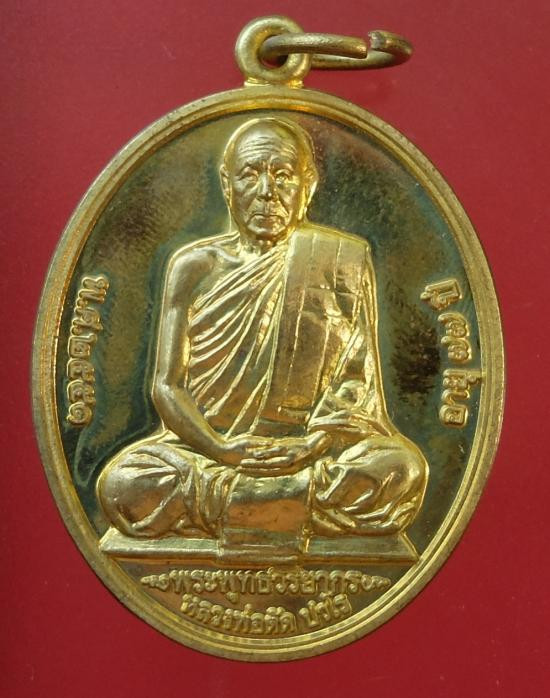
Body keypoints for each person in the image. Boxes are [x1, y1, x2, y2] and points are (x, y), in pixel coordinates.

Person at [97, 117, 428, 545]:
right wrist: (220, 449)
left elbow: (354, 381)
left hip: (306, 453)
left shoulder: (341, 259)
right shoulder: (194, 266)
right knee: (125, 484)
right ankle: (288, 505)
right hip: (209, 453)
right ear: (227, 184)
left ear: (308, 186)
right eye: (250, 174)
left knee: (402, 469)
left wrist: (311, 445)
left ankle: (244, 505)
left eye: (283, 175)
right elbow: (166, 386)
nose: (267, 191)